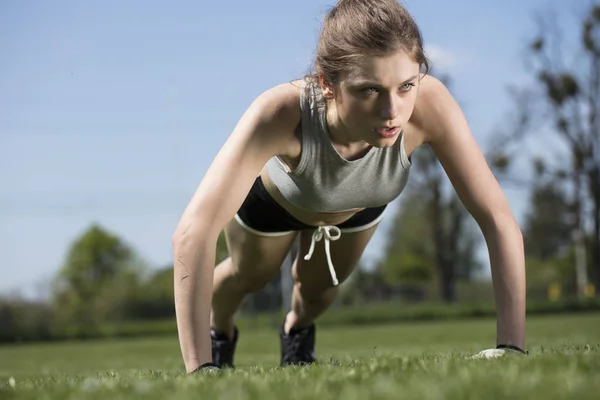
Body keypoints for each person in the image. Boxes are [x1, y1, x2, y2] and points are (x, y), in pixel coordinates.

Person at [172, 0, 527, 373]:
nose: (393, 111)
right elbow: (192, 233)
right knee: (250, 275)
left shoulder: (431, 104)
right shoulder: (280, 113)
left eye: (406, 85)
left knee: (318, 290)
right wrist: (200, 368)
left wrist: (511, 347)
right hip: (275, 204)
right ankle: (219, 330)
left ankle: (296, 329)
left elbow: (497, 218)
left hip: (357, 206)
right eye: (369, 90)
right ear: (327, 83)